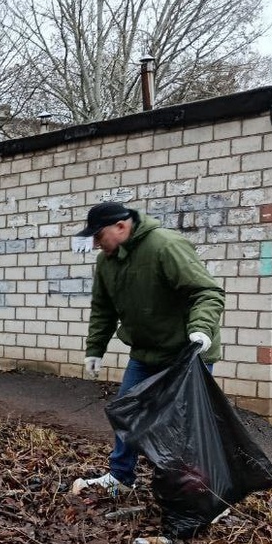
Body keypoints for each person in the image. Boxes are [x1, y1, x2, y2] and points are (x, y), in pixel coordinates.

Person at [71, 202, 225, 495]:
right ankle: (121, 477)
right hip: (145, 352)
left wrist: (201, 328)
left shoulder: (165, 246)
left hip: (186, 352)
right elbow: (102, 309)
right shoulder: (107, 262)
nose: (95, 243)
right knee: (127, 411)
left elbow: (207, 291)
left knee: (188, 426)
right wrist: (95, 349)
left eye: (99, 236)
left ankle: (205, 492)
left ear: (121, 226)